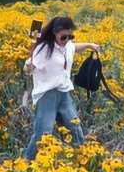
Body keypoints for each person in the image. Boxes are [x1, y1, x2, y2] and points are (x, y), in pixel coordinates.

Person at [22, 16, 100, 160]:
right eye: (64, 37)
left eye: (70, 36)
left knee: (75, 127)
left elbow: (74, 47)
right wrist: (28, 66)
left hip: (64, 93)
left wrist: (90, 45)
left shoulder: (68, 44)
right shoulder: (43, 49)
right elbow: (27, 70)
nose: (67, 40)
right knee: (43, 133)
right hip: (47, 96)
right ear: (54, 33)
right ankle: (26, 162)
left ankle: (79, 159)